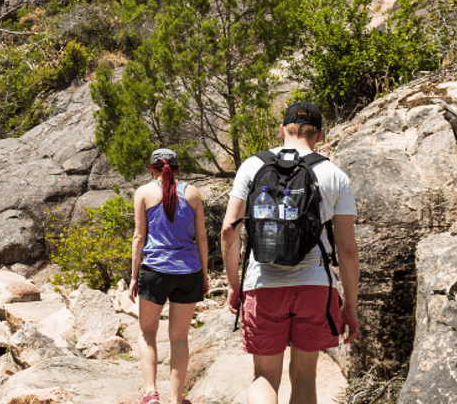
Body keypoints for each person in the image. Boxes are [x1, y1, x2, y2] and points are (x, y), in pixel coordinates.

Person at [220, 102, 359, 404]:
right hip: (315, 287)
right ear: (319, 135)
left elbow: (228, 231)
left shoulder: (252, 166)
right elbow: (347, 251)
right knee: (305, 379)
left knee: (264, 377)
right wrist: (351, 306)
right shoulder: (335, 175)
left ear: (282, 130)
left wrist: (233, 286)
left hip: (263, 284)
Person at [130, 147, 208, 404]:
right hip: (189, 272)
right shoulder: (193, 193)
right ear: (177, 169)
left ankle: (151, 393)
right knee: (179, 338)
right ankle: (176, 399)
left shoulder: (143, 193)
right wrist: (204, 275)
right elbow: (202, 239)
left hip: (155, 271)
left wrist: (133, 277)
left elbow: (139, 237)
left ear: (152, 168)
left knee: (146, 333)